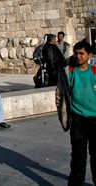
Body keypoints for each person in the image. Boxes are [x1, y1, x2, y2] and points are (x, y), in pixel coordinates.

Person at [56, 40, 96, 186]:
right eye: (76, 53)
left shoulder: (94, 72)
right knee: (78, 157)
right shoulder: (68, 72)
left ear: (89, 55)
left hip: (95, 120)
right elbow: (60, 95)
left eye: (82, 53)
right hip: (78, 120)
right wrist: (64, 118)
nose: (78, 56)